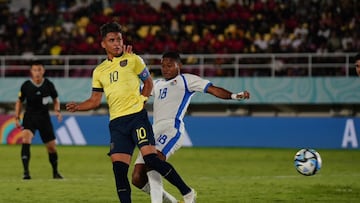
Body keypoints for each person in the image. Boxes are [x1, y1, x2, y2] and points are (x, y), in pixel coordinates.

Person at [65, 22, 196, 203]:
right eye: (112, 40)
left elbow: (148, 83)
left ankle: (187, 192)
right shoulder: (99, 71)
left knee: (152, 159)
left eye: (119, 39)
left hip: (137, 119)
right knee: (119, 172)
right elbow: (95, 100)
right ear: (103, 44)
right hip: (117, 125)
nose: (117, 43)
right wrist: (78, 106)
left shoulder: (133, 59)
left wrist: (142, 100)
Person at [132, 51, 250, 202]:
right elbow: (137, 92)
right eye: (163, 66)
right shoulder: (157, 84)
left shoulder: (187, 80)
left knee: (154, 161)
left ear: (179, 65)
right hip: (153, 131)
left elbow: (212, 89)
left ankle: (183, 195)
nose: (165, 69)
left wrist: (234, 96)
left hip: (171, 129)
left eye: (169, 65)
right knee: (137, 178)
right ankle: (176, 199)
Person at [14, 60, 63, 180]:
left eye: (39, 70)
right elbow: (19, 101)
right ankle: (26, 172)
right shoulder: (26, 85)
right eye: (35, 70)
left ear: (43, 71)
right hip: (29, 117)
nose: (37, 72)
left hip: (44, 118)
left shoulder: (48, 84)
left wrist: (57, 111)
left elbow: (56, 99)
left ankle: (55, 172)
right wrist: (16, 117)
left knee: (51, 147)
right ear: (31, 71)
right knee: (26, 139)